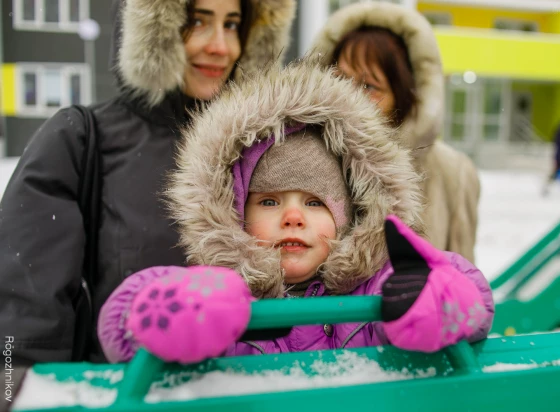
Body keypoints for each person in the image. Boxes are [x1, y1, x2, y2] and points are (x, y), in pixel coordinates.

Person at [97, 60, 494, 364]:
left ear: (350, 216)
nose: (292, 217)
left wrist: (434, 296)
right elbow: (122, 319)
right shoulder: (218, 298)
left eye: (315, 202)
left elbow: (470, 295)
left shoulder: (376, 289)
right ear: (233, 213)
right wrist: (171, 310)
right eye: (269, 202)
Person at [0, 0, 296, 364]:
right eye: (197, 21)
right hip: (126, 395)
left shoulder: (267, 147)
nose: (221, 46)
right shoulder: (80, 139)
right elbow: (28, 315)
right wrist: (20, 390)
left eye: (232, 24)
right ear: (151, 30)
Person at [311, 3, 480, 263]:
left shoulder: (452, 173)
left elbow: (464, 283)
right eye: (339, 79)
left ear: (403, 99)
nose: (349, 96)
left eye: (369, 86)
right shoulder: (299, 156)